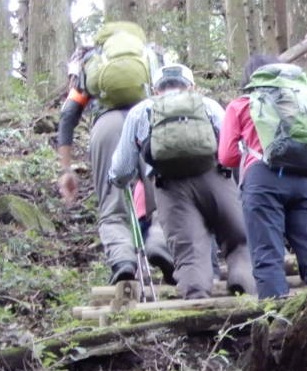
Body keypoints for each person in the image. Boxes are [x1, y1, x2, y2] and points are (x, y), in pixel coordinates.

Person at [108, 64, 254, 299]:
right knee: (239, 240)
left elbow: (121, 168)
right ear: (192, 86)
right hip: (216, 179)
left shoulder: (141, 111)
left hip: (170, 187)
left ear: (155, 90)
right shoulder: (207, 105)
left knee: (189, 253)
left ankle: (198, 311)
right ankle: (243, 288)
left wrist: (117, 179)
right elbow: (234, 148)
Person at [53, 23, 172, 285]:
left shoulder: (91, 59)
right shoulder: (152, 55)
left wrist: (67, 169)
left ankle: (122, 262)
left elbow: (68, 115)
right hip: (148, 121)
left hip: (107, 128)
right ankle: (160, 244)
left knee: (112, 206)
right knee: (163, 196)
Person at [218, 54, 307, 299]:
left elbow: (227, 157)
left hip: (263, 180)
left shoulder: (242, 104)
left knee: (267, 256)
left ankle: (276, 322)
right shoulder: (305, 101)